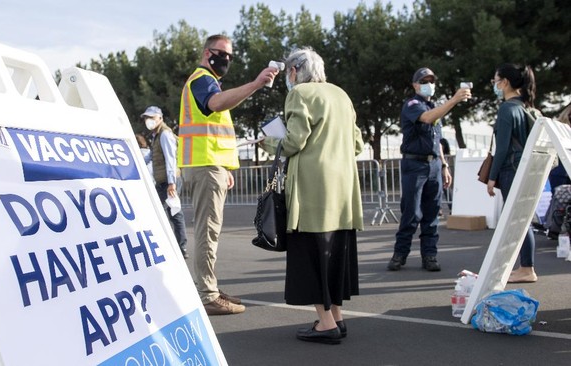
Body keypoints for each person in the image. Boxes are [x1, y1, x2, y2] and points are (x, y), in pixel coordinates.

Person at [259, 47, 364, 345]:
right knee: (334, 255)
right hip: (343, 190)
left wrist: (267, 141)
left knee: (311, 254)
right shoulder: (341, 95)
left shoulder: (300, 94)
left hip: (312, 188)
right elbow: (357, 144)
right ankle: (337, 318)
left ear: (293, 71)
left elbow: (294, 141)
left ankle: (326, 323)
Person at [178, 34, 280, 315]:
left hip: (210, 166)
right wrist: (257, 83)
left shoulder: (207, 81)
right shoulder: (202, 79)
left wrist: (226, 168)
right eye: (221, 53)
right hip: (205, 166)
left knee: (208, 230)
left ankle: (208, 286)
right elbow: (216, 104)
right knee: (207, 232)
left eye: (230, 56)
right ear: (206, 52)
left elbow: (213, 127)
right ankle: (207, 294)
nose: (226, 59)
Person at [387, 67, 471, 272]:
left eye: (432, 80)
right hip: (414, 165)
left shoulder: (433, 107)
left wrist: (444, 165)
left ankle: (430, 256)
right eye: (424, 80)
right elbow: (426, 118)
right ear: (415, 85)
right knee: (411, 213)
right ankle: (400, 254)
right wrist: (454, 100)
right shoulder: (412, 104)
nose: (429, 84)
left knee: (432, 214)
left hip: (433, 164)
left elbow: (437, 141)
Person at [486, 63, 539, 283]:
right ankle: (526, 266)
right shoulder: (526, 107)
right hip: (526, 169)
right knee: (523, 219)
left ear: (505, 82)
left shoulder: (507, 109)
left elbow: (503, 148)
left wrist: (491, 177)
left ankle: (526, 268)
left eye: (495, 81)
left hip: (511, 170)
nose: (494, 85)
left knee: (517, 220)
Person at [140, 106, 189, 259]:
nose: (149, 121)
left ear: (160, 118)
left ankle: (179, 248)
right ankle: (179, 247)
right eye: (147, 118)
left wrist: (171, 183)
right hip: (164, 181)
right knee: (172, 213)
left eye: (152, 117)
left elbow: (170, 159)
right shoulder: (156, 135)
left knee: (168, 213)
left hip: (169, 181)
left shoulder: (165, 134)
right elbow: (151, 157)